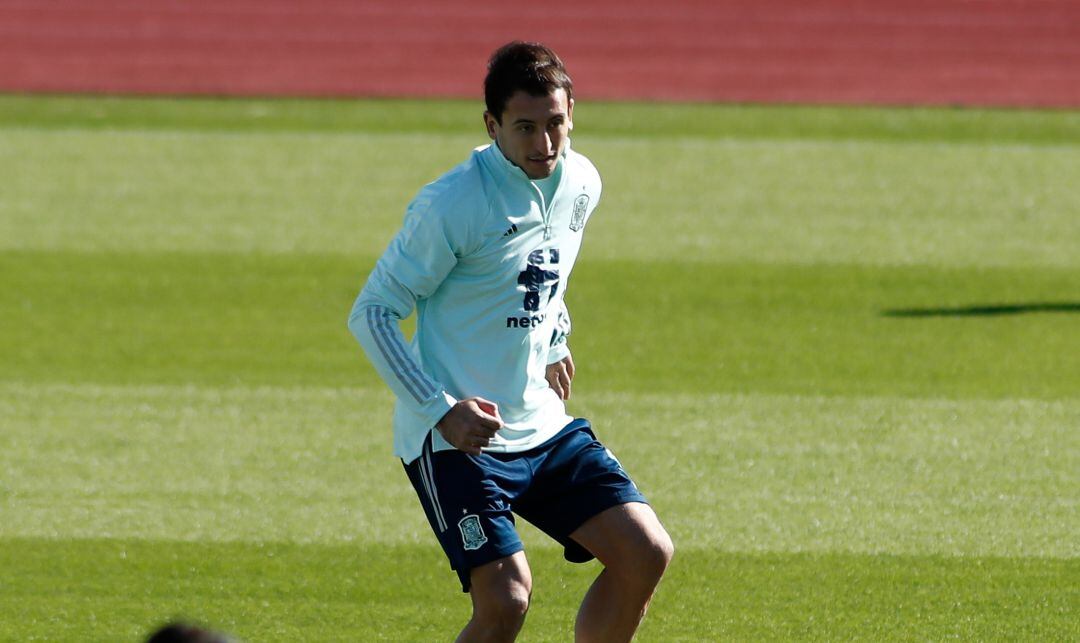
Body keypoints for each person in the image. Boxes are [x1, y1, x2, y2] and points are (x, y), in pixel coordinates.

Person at [348, 41, 673, 642]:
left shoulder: (581, 182)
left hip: (541, 425)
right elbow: (371, 313)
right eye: (525, 128)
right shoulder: (453, 204)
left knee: (645, 550)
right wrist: (441, 411)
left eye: (555, 123)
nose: (544, 143)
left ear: (572, 110)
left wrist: (553, 339)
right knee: (506, 599)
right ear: (492, 125)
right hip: (457, 439)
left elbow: (545, 271)